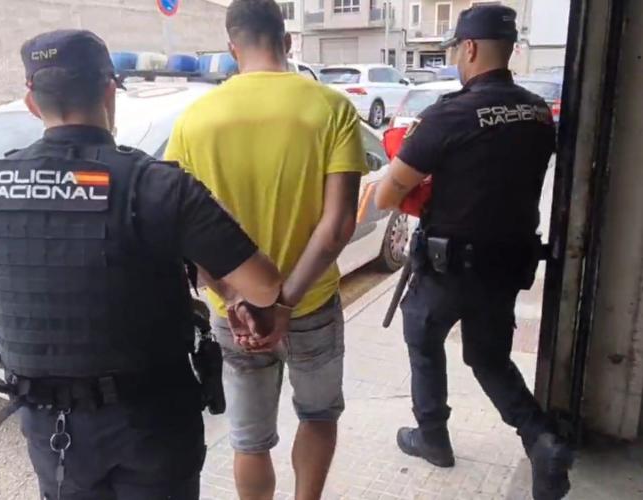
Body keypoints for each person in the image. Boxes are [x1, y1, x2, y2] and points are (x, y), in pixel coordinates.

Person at [0, 29, 282, 500]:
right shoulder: (157, 186)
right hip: (150, 426)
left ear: (32, 102)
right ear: (108, 91)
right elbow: (264, 286)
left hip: (53, 433)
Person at [164, 0, 367, 498]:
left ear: (232, 48)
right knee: (317, 416)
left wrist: (234, 296)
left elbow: (183, 229)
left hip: (235, 315)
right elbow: (338, 225)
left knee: (250, 442)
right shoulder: (331, 108)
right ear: (287, 41)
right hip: (310, 304)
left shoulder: (194, 120)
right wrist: (285, 303)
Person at [374, 6, 573, 500]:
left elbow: (386, 195)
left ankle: (433, 437)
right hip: (507, 264)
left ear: (469, 48)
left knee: (423, 337)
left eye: (455, 52)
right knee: (488, 358)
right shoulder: (538, 114)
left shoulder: (449, 114)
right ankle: (542, 439)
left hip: (449, 266)